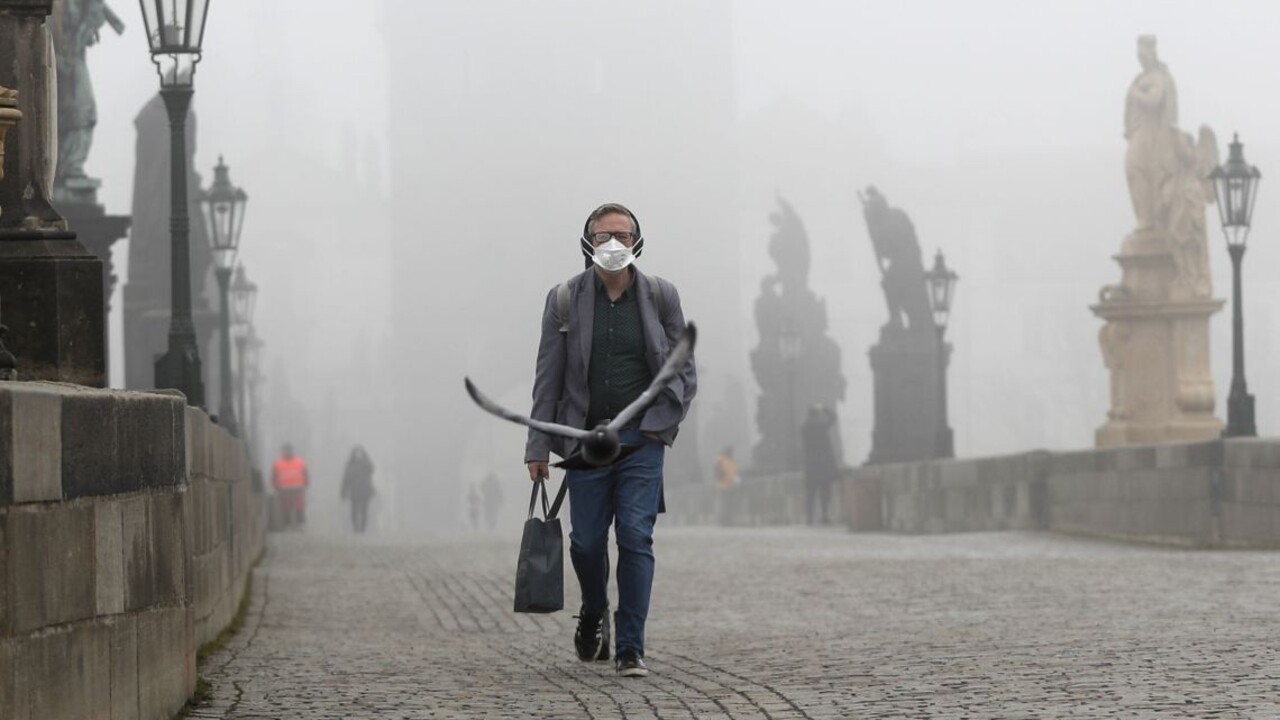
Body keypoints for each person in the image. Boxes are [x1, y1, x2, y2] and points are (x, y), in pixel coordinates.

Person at [525, 203, 696, 678]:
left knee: (637, 538)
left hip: (642, 440)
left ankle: (630, 647)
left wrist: (664, 421)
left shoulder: (662, 295)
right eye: (604, 236)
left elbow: (683, 365)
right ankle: (594, 610)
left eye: (623, 234)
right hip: (587, 440)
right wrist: (537, 446)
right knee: (585, 543)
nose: (614, 244)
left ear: (638, 241)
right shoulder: (563, 299)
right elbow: (548, 377)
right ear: (588, 243)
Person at [800, 405, 838, 525]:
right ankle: (824, 515)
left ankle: (809, 518)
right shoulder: (821, 427)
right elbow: (833, 417)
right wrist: (825, 407)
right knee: (825, 492)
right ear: (817, 415)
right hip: (823, 466)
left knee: (810, 493)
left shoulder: (804, 428)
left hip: (811, 466)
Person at [272, 443, 310, 529]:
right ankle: (287, 525)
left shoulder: (299, 461)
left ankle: (301, 524)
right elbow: (274, 475)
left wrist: (306, 483)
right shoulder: (278, 463)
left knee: (299, 507)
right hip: (284, 489)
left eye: (288, 450)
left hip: (298, 488)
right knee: (286, 508)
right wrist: (275, 486)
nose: (287, 452)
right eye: (285, 450)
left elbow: (305, 473)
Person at [340, 445, 376, 533]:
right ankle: (356, 529)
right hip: (354, 491)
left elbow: (371, 469)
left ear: (363, 454)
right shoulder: (350, 465)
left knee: (364, 512)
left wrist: (366, 460)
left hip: (365, 491)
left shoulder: (366, 464)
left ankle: (363, 529)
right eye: (356, 453)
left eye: (360, 453)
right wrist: (343, 492)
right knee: (354, 512)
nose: (358, 455)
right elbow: (346, 479)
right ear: (353, 454)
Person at [713, 445, 738, 525]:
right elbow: (731, 474)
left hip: (724, 486)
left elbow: (732, 474)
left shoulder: (722, 460)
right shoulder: (725, 461)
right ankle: (725, 521)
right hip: (725, 486)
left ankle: (724, 520)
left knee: (725, 505)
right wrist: (735, 481)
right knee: (726, 505)